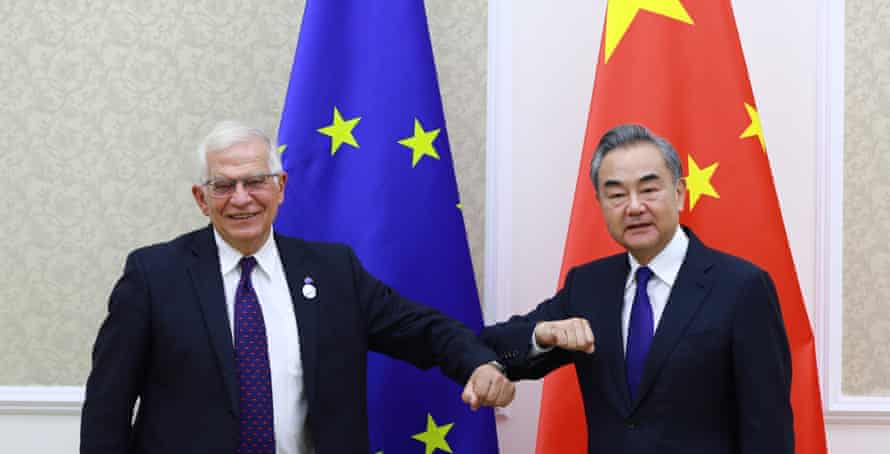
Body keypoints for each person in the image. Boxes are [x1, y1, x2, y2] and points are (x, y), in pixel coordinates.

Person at [81, 120, 513, 454]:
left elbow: (422, 329)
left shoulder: (332, 271)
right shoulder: (154, 275)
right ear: (201, 199)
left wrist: (478, 363)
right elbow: (108, 406)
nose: (241, 198)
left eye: (254, 181)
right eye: (223, 186)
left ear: (280, 187)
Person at [482, 123, 794, 453]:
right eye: (616, 194)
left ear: (679, 193)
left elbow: (768, 429)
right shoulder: (589, 286)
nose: (633, 207)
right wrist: (542, 334)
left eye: (648, 190)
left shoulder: (742, 287)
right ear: (600, 203)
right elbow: (493, 344)